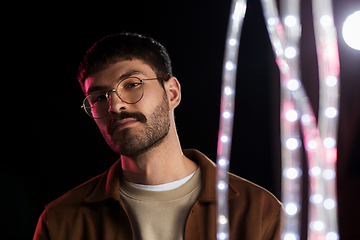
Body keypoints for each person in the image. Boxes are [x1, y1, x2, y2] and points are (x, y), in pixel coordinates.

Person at [33, 33, 282, 240]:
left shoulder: (259, 212)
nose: (115, 106)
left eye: (131, 84)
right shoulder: (60, 222)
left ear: (172, 93)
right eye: (99, 97)